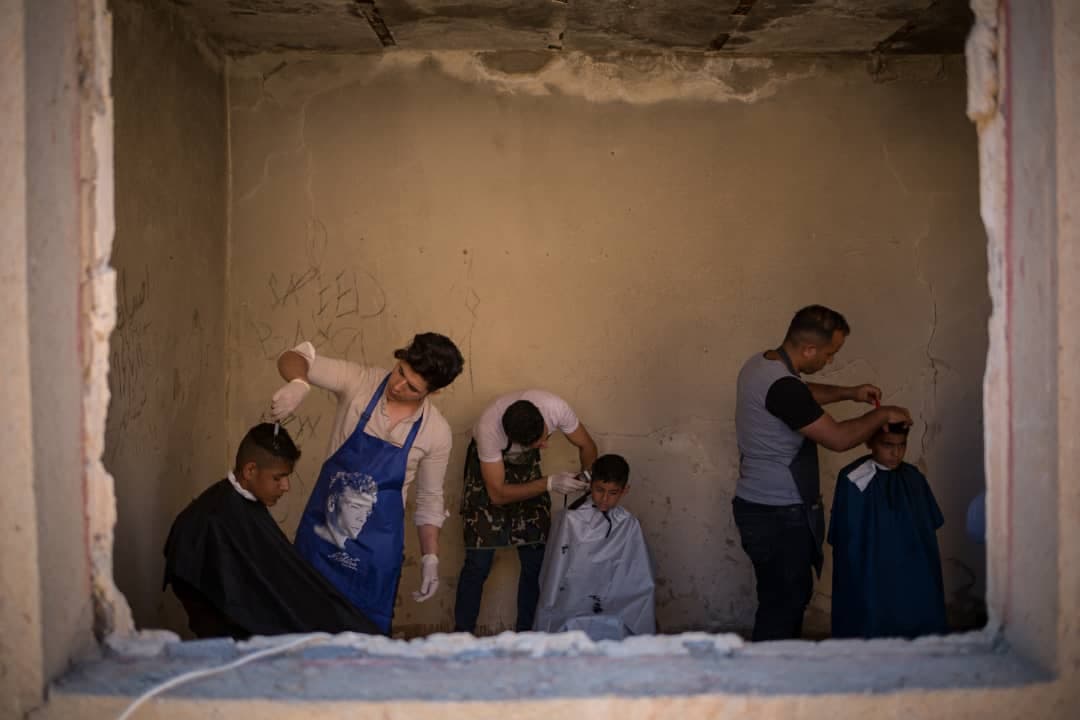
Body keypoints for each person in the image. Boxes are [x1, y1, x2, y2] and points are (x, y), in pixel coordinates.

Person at [733, 305, 912, 641]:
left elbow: (800, 392)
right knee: (783, 608)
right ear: (809, 349)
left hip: (759, 508)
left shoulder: (761, 365)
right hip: (779, 516)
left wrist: (849, 392)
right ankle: (769, 683)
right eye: (830, 354)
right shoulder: (783, 388)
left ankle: (770, 674)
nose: (830, 361)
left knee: (779, 601)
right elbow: (839, 439)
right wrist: (882, 414)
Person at [270, 332, 464, 633]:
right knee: (303, 630)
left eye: (412, 387)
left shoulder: (435, 432)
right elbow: (295, 357)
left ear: (433, 392)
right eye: (400, 371)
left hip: (375, 557)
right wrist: (299, 383)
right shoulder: (360, 381)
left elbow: (429, 500)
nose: (398, 385)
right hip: (323, 539)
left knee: (363, 644)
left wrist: (430, 557)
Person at [162, 423, 379, 639]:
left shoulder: (245, 503)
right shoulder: (212, 519)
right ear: (250, 470)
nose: (286, 486)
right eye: (278, 477)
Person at [454, 390, 598, 634]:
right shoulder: (488, 430)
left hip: (527, 474)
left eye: (544, 436)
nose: (546, 445)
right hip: (490, 479)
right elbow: (497, 494)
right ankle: (460, 638)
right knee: (478, 563)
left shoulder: (555, 407)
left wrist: (587, 476)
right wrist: (550, 483)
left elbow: (587, 445)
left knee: (536, 560)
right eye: (537, 444)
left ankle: (528, 636)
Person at [829, 423, 948, 638]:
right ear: (869, 442)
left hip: (911, 561)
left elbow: (927, 528)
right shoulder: (853, 478)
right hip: (870, 565)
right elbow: (846, 537)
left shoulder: (913, 477)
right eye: (887, 445)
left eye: (902, 445)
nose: (896, 453)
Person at [533, 454, 656, 640]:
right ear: (590, 486)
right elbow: (555, 575)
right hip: (570, 609)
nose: (605, 499)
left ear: (625, 490)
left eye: (613, 493)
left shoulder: (628, 524)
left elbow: (637, 579)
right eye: (599, 490)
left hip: (613, 609)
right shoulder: (570, 520)